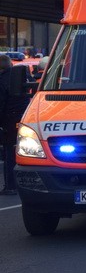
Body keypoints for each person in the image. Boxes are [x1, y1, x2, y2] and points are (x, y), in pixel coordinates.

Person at [0, 54, 30, 194]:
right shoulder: (21, 77)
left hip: (9, 120)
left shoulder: (2, 80)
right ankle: (23, 184)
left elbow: (1, 103)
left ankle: (10, 186)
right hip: (23, 117)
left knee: (9, 153)